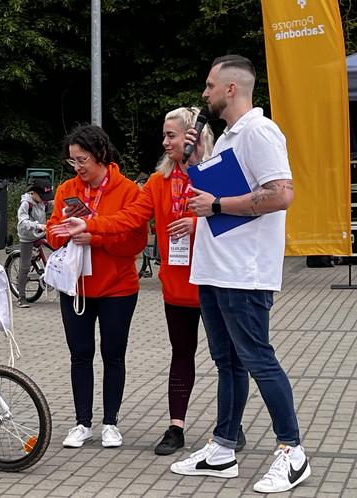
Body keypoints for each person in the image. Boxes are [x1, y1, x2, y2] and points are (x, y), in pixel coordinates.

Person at [54, 55, 309, 494]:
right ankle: (223, 447)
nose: (204, 93)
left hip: (244, 273)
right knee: (227, 363)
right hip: (214, 271)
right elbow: (211, 191)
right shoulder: (230, 137)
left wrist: (215, 207)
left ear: (231, 88)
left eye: (210, 86)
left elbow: (280, 195)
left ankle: (292, 451)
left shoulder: (260, 131)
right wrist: (196, 164)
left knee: (257, 359)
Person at [50, 109, 247, 456]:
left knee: (227, 358)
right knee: (181, 355)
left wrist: (198, 225)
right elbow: (129, 219)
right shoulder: (158, 182)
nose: (165, 142)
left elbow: (241, 221)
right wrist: (90, 227)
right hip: (177, 285)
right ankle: (176, 427)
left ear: (192, 138)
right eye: (165, 135)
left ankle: (230, 427)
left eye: (171, 135)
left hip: (219, 282)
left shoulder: (219, 171)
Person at [47, 125, 148, 449]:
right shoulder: (66, 190)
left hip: (118, 288)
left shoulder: (128, 190)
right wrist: (64, 233)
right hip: (75, 287)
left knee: (113, 354)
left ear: (101, 155)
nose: (78, 167)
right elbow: (51, 233)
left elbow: (136, 241)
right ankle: (82, 422)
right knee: (80, 354)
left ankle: (110, 422)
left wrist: (96, 238)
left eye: (83, 160)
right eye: (72, 161)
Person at [16, 177, 54, 308]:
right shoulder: (26, 204)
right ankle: (21, 297)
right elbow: (22, 221)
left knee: (57, 250)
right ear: (34, 193)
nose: (45, 199)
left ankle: (51, 274)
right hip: (27, 235)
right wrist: (38, 225)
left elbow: (58, 205)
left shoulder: (44, 202)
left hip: (41, 232)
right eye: (43, 196)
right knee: (25, 266)